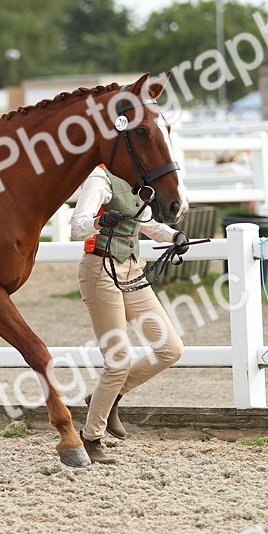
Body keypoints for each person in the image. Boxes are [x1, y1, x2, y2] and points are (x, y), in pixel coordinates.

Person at [70, 164, 188, 464]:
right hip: (100, 270)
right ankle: (91, 438)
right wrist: (99, 222)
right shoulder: (99, 178)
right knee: (118, 360)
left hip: (132, 268)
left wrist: (174, 236)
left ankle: (105, 398)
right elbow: (77, 226)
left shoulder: (139, 180)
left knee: (170, 348)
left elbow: (146, 225)